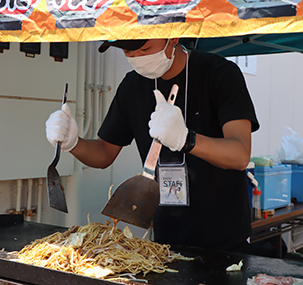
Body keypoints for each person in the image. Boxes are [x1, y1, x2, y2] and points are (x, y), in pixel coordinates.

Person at [45, 38, 260, 253]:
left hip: (227, 240)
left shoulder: (219, 73)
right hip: (165, 241)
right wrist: (73, 142)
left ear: (173, 36)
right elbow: (104, 153)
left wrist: (187, 140)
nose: (138, 58)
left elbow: (240, 155)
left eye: (145, 49)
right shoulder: (133, 85)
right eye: (128, 52)